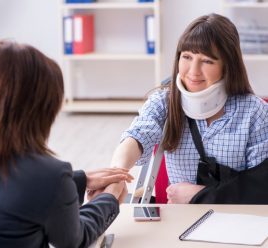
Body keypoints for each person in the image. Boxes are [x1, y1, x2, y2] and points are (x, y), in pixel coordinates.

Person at [0, 40, 133, 248]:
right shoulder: (48, 176)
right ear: (42, 109)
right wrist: (108, 198)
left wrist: (78, 180)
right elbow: (73, 240)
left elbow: (4, 190)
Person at [111, 13, 268, 204]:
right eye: (187, 57)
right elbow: (136, 136)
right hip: (180, 220)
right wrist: (116, 177)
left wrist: (200, 196)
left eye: (207, 61)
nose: (193, 71)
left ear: (228, 65)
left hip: (236, 220)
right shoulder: (165, 101)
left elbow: (259, 187)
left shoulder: (255, 112)